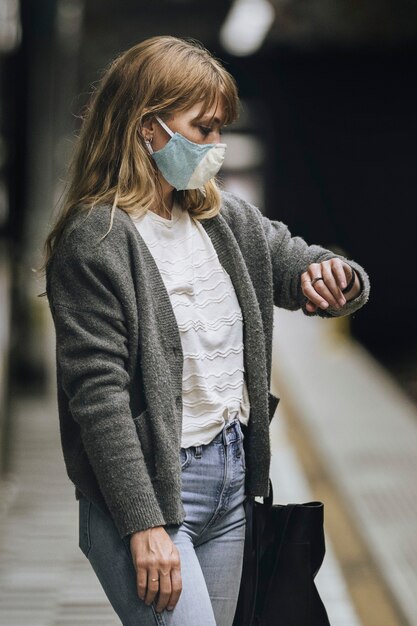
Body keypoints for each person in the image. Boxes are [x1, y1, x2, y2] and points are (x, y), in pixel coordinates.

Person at [43, 36, 370, 626]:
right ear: (148, 128)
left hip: (232, 485)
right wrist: (144, 523)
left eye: (221, 130)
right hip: (152, 494)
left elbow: (295, 260)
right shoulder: (95, 242)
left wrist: (337, 276)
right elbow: (99, 399)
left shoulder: (221, 218)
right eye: (204, 129)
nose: (217, 146)